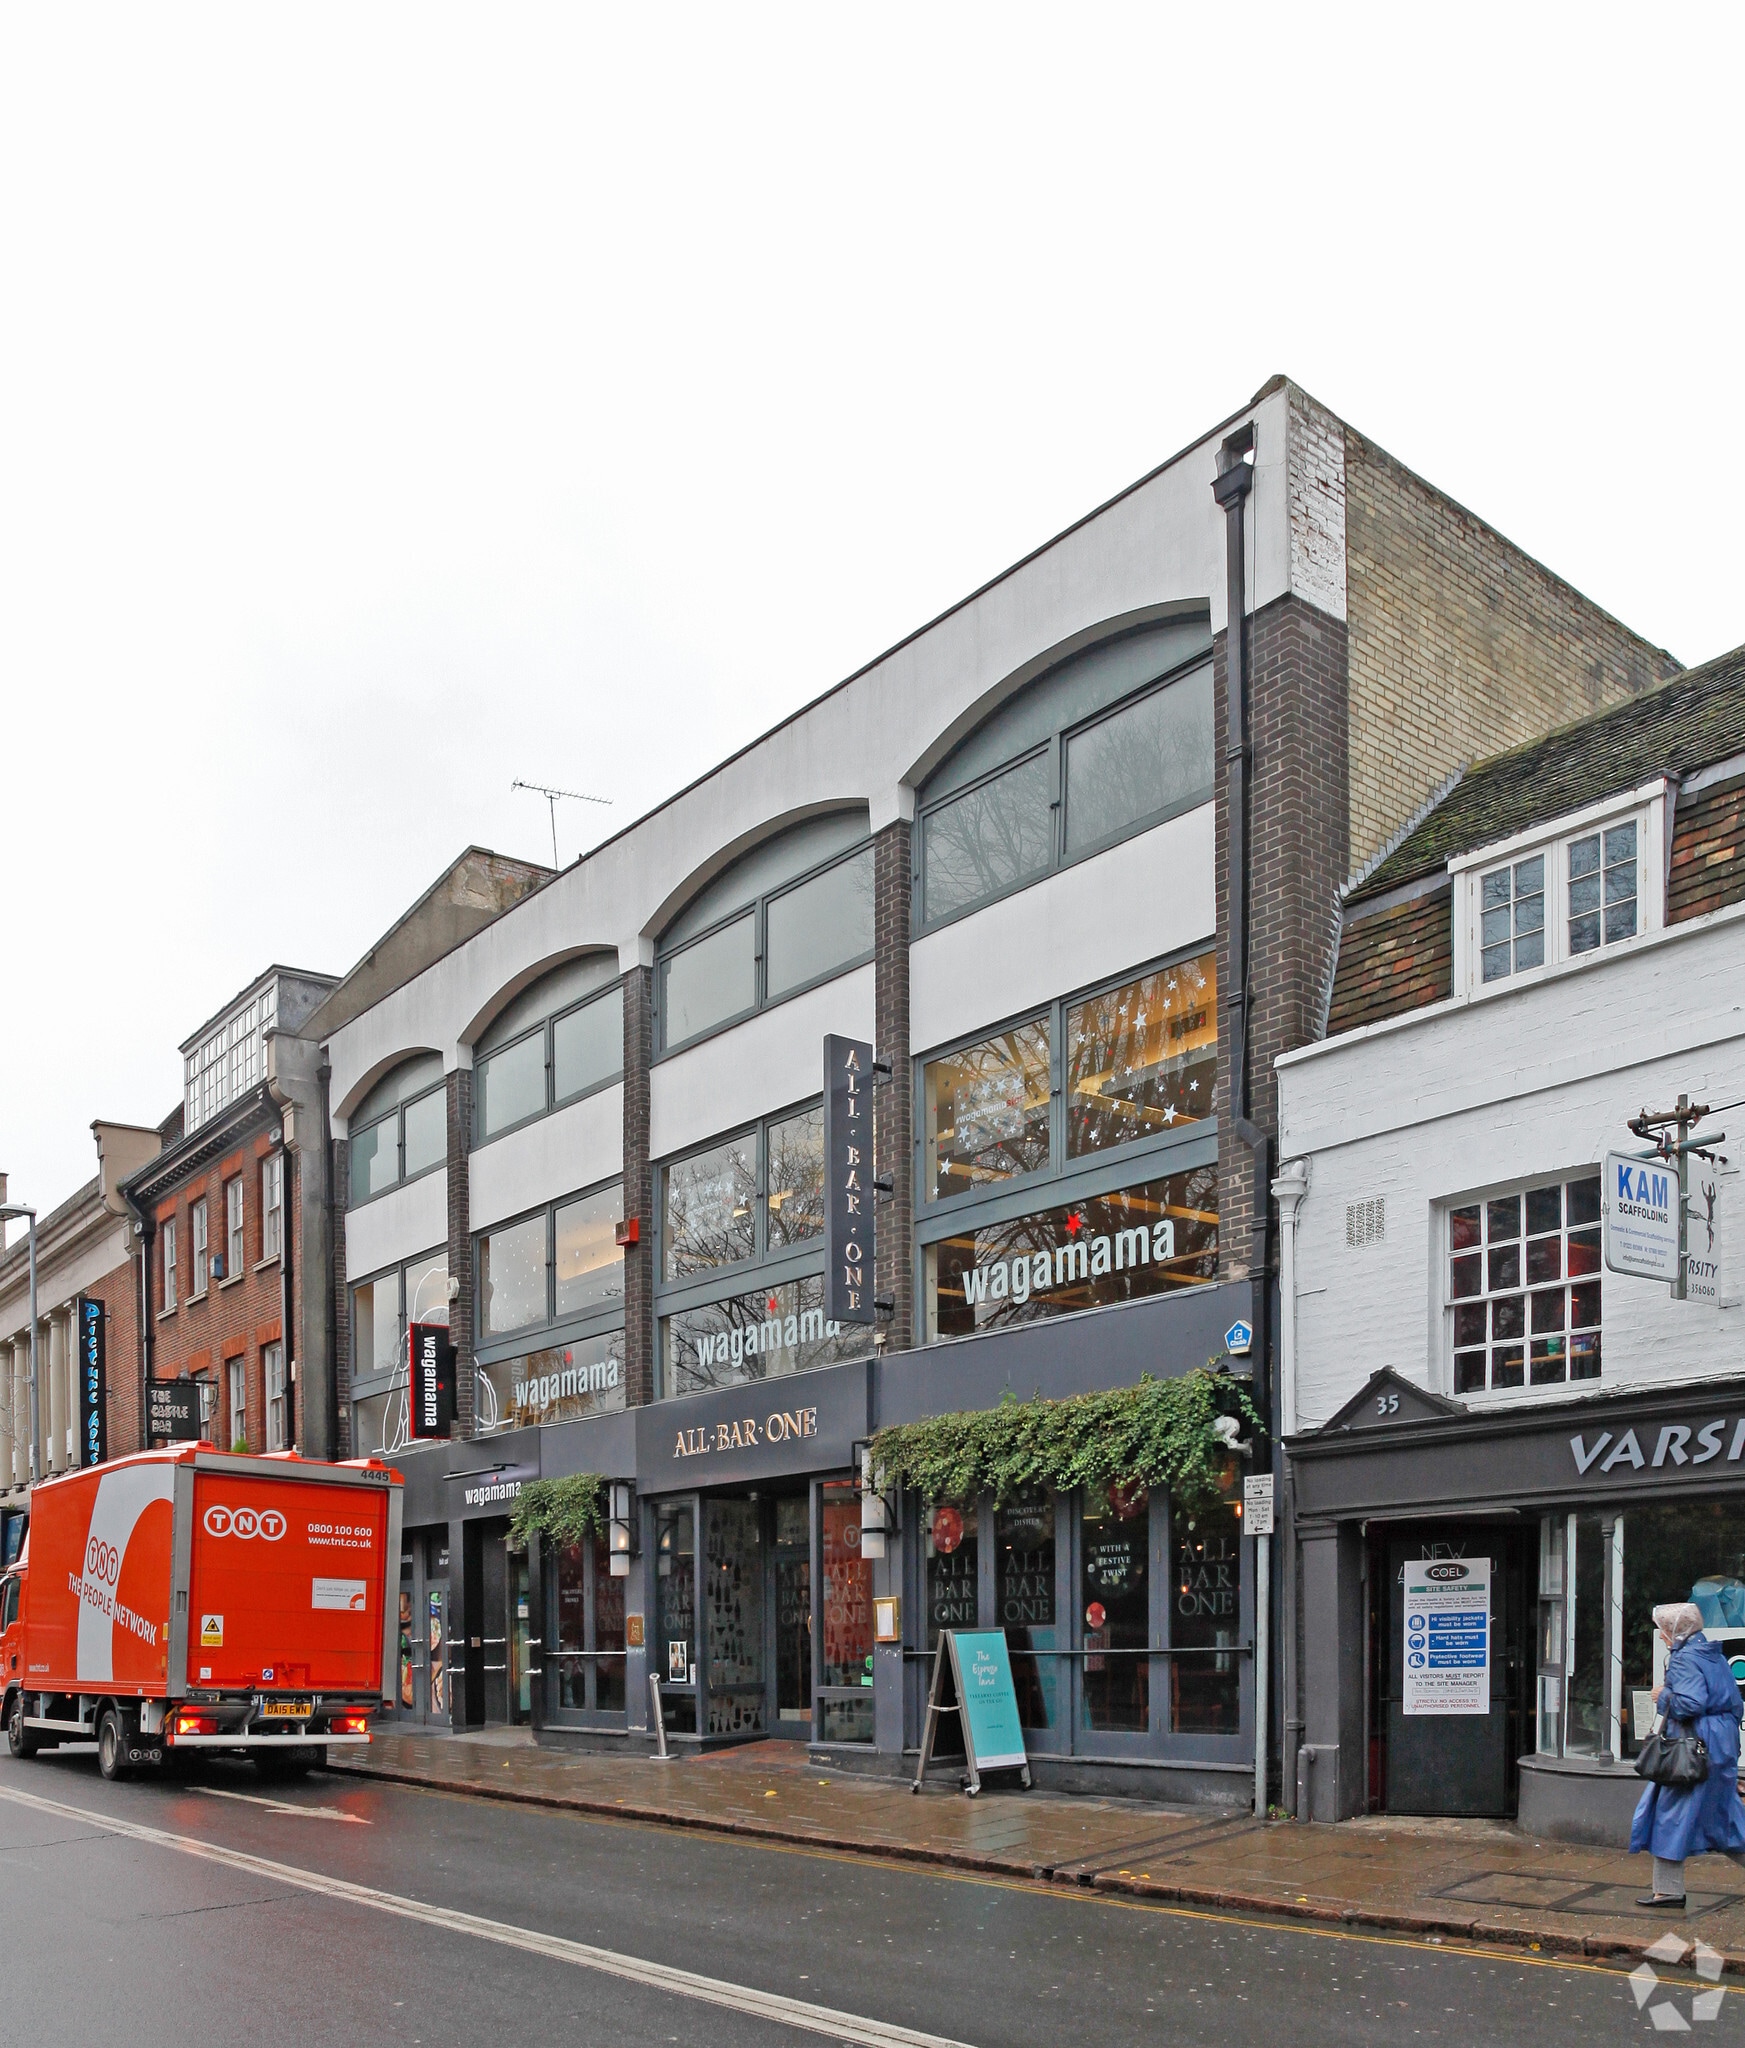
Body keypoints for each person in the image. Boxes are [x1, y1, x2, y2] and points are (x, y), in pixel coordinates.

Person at [1630, 1602, 1745, 1907]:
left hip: (1691, 1748)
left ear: (1675, 1631)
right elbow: (1735, 1705)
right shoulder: (1712, 1654)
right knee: (1726, 1817)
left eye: (1663, 1630)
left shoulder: (1684, 1659)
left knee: (1668, 1814)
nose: (1661, 1637)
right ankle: (1667, 1890)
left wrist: (1662, 1696)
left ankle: (1667, 1891)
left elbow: (1689, 1704)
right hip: (1719, 1744)